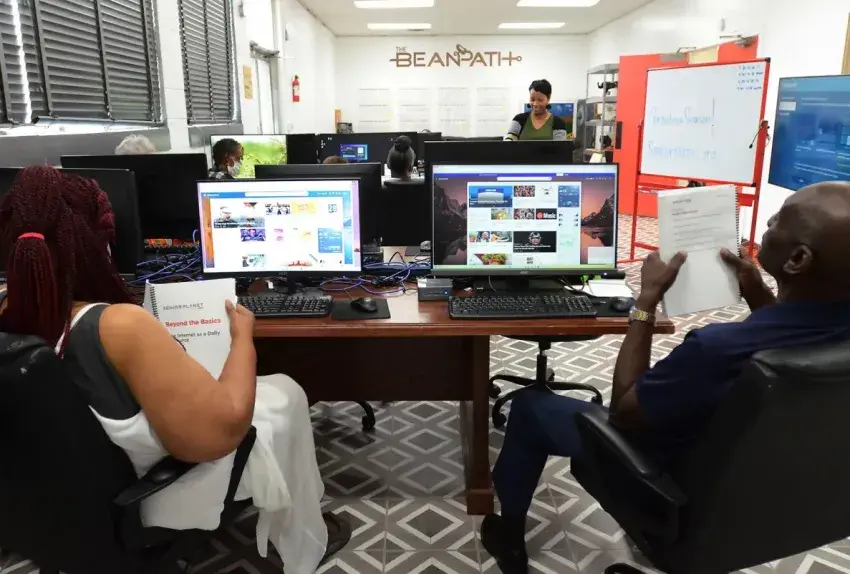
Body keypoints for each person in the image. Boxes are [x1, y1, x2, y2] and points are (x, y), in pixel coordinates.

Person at [481, 180, 850, 574]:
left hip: (675, 488)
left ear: (797, 259)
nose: (770, 221)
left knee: (531, 407)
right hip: (782, 497)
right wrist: (758, 292)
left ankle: (509, 538)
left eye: (780, 218)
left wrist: (647, 300)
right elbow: (794, 336)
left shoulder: (717, 349)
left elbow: (625, 414)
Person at [0, 166, 350, 574]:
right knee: (285, 391)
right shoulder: (117, 325)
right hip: (145, 495)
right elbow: (219, 435)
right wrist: (243, 338)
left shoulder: (12, 312)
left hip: (52, 503)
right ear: (93, 244)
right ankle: (304, 539)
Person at [504, 80, 568, 142]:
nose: (535, 104)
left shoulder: (558, 123)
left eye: (540, 100)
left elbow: (560, 147)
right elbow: (509, 141)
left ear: (548, 99)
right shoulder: (519, 119)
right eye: (532, 99)